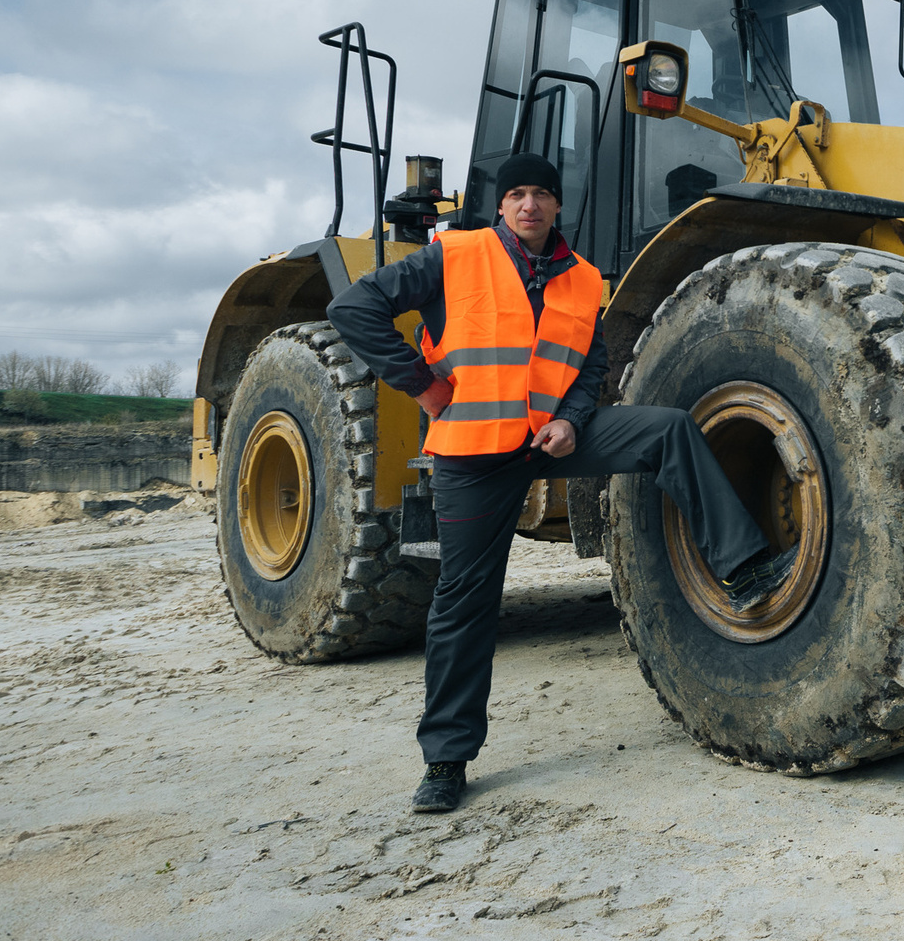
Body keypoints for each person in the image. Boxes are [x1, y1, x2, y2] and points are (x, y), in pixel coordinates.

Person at [326, 152, 791, 814]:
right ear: (502, 206)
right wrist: (425, 388)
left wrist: (573, 422)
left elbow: (588, 363)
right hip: (475, 453)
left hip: (548, 440)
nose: (529, 205)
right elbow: (355, 307)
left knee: (666, 430)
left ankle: (742, 566)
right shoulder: (453, 256)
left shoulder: (580, 280)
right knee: (465, 601)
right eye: (516, 193)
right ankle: (446, 760)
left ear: (556, 205)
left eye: (540, 194)